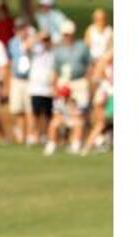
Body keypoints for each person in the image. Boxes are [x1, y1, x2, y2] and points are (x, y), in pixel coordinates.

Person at [50, 19, 90, 153]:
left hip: (79, 82)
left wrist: (88, 83)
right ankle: (53, 143)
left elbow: (89, 66)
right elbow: (55, 70)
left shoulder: (82, 47)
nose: (67, 37)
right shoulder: (58, 50)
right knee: (59, 113)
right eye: (65, 34)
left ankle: (76, 143)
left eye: (69, 34)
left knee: (79, 114)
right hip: (63, 82)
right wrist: (55, 86)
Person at [7, 22, 36, 144]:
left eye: (23, 29)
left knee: (30, 109)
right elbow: (10, 60)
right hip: (17, 78)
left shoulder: (33, 41)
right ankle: (21, 136)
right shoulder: (12, 43)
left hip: (30, 79)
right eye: (18, 29)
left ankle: (31, 135)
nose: (21, 31)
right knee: (18, 110)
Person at [27, 32, 54, 146]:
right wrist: (38, 36)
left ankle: (46, 135)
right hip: (36, 87)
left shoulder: (54, 52)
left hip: (49, 87)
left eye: (46, 40)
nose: (45, 42)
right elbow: (26, 46)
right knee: (35, 113)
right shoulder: (36, 50)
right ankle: (35, 134)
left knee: (48, 114)